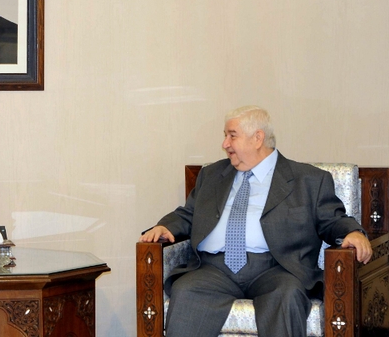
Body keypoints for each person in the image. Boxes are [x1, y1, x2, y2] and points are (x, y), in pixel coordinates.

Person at [139, 105, 372, 337]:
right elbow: (189, 213)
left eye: (232, 135)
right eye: (225, 136)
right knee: (185, 290)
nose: (225, 144)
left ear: (257, 138)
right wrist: (165, 226)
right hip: (214, 270)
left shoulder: (308, 179)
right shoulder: (211, 176)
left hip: (277, 269)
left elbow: (332, 220)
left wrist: (352, 232)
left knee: (287, 295)